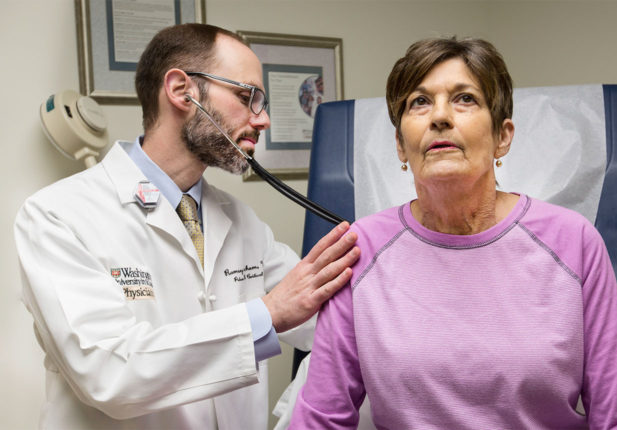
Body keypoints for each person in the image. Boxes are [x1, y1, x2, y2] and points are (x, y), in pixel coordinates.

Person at [14, 23, 359, 430]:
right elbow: (108, 374)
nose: (262, 120)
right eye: (247, 97)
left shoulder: (241, 220)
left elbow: (332, 325)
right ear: (181, 91)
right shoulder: (58, 215)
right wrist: (265, 314)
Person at [289, 37, 617, 429]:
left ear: (502, 136)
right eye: (419, 102)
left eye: (465, 99)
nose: (439, 116)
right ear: (400, 146)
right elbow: (320, 419)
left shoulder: (574, 242)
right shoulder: (360, 251)